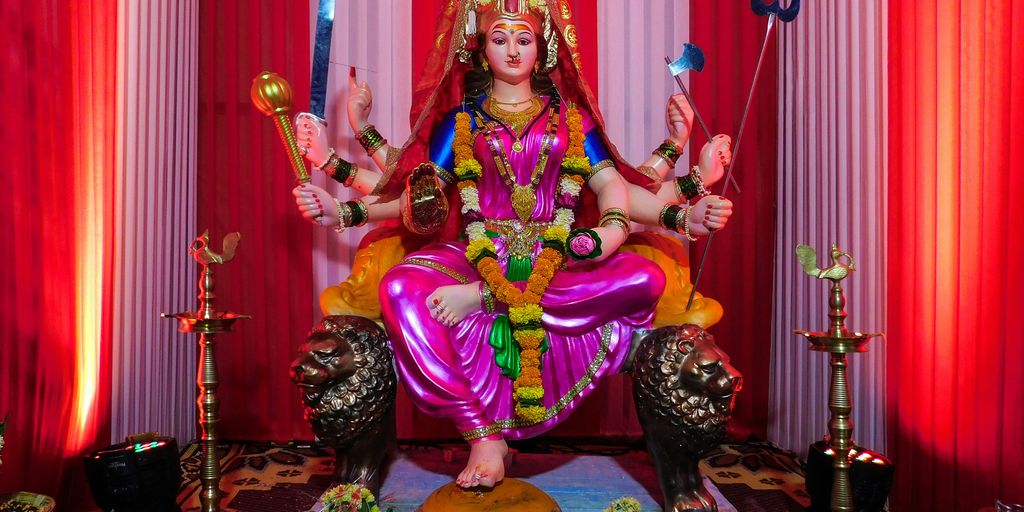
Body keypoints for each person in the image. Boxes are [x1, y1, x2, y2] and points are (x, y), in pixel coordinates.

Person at [290, 0, 734, 489]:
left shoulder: (572, 120)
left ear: (542, 50)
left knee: (644, 277)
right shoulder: (459, 123)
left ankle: (486, 299)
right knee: (399, 287)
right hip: (476, 253)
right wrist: (343, 212)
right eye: (499, 38)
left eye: (524, 38)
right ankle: (481, 432)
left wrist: (625, 226)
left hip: (559, 251)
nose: (513, 49)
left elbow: (613, 187)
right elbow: (418, 205)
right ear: (480, 51)